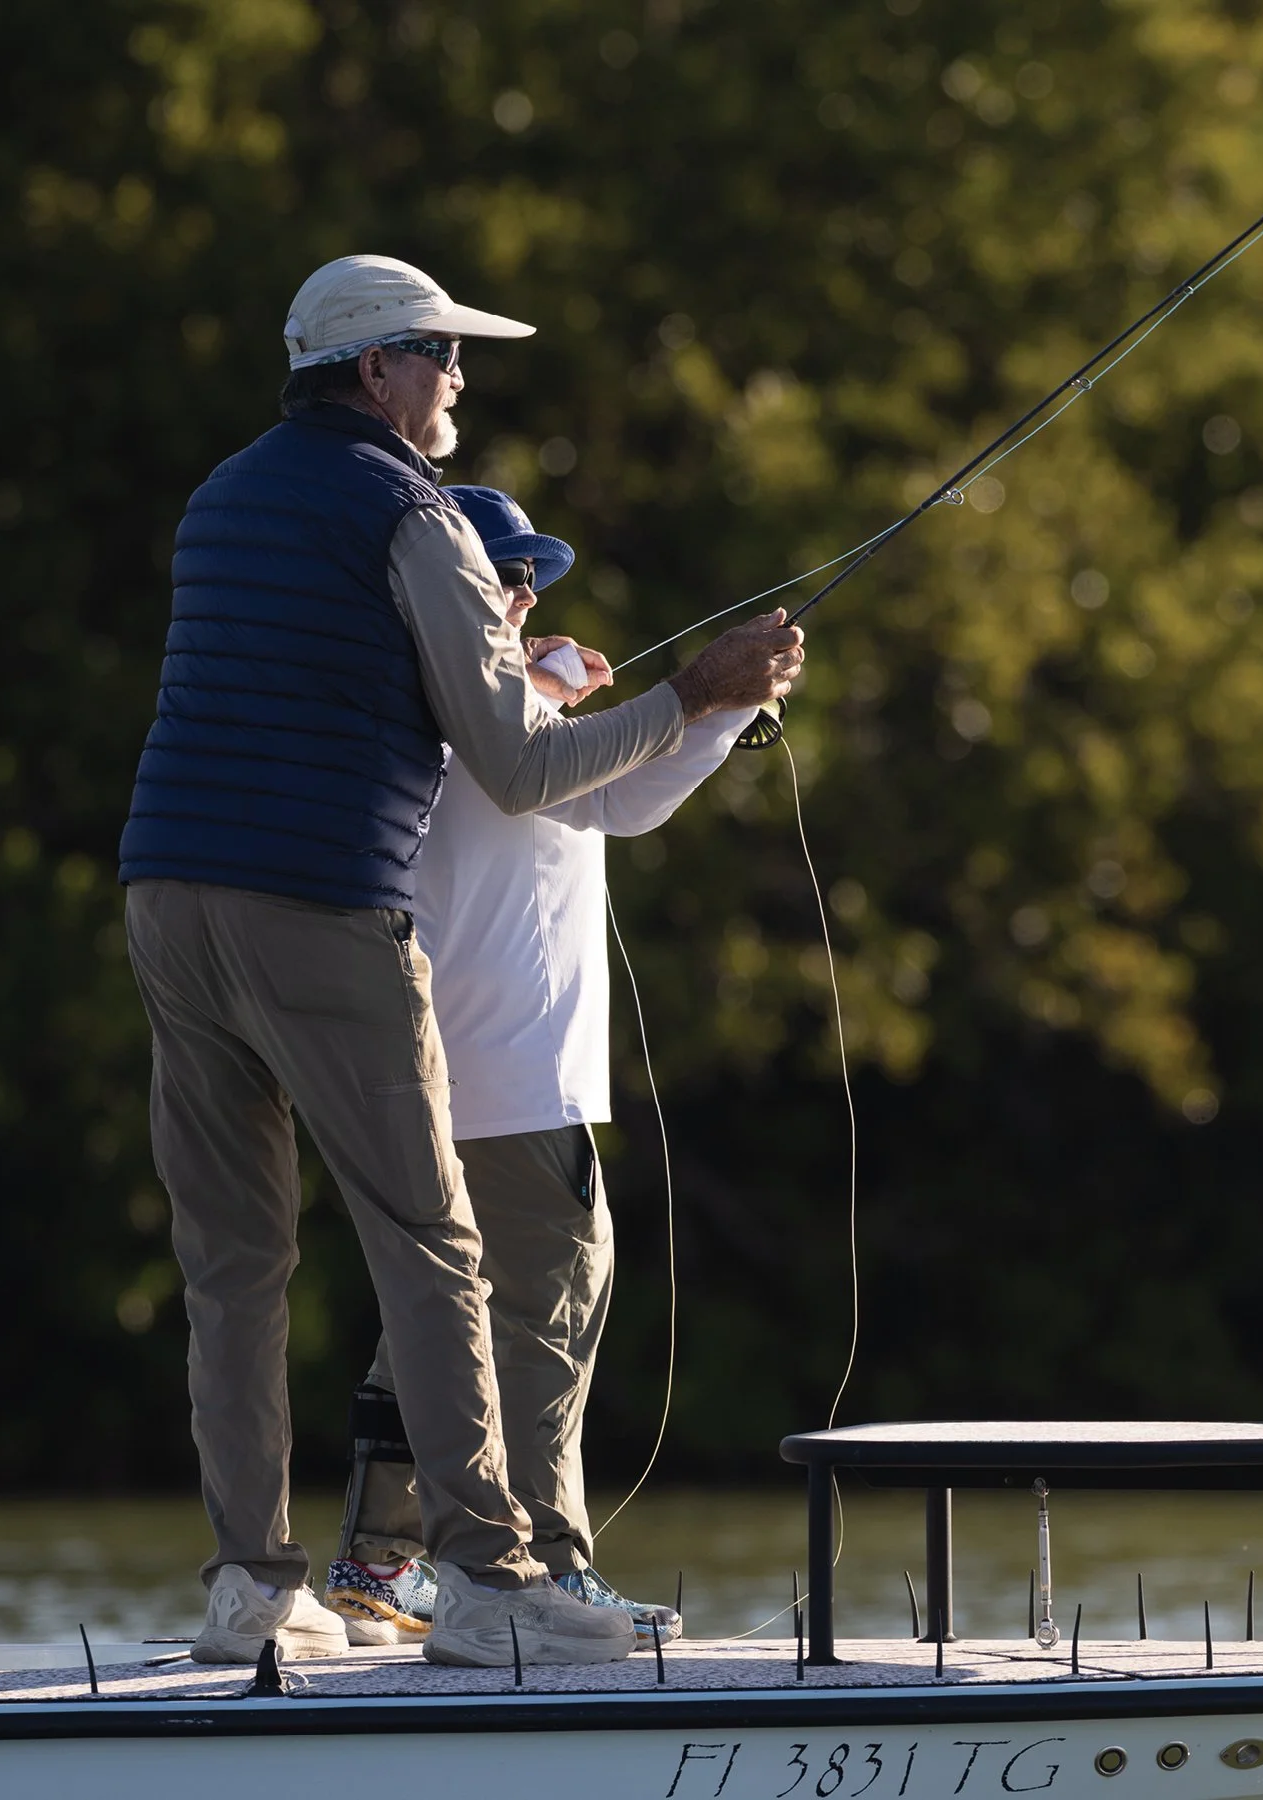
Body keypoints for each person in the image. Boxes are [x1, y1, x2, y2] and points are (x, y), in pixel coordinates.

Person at [117, 253, 803, 1668]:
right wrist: (696, 694)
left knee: (234, 1258)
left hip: (166, 893)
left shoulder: (221, 492)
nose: (458, 383)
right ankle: (487, 1580)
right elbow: (517, 762)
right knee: (436, 1243)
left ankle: (254, 1585)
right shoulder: (413, 511)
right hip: (315, 905)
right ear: (376, 372)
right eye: (441, 356)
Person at [323, 487, 756, 1649]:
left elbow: (621, 801)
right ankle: (542, 1564)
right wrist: (574, 688)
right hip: (506, 1078)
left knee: (430, 1315)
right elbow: (530, 764)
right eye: (502, 579)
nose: (522, 598)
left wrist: (717, 716)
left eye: (528, 582)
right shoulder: (475, 711)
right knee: (550, 1301)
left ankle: (379, 1564)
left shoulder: (439, 705)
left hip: (430, 1074)